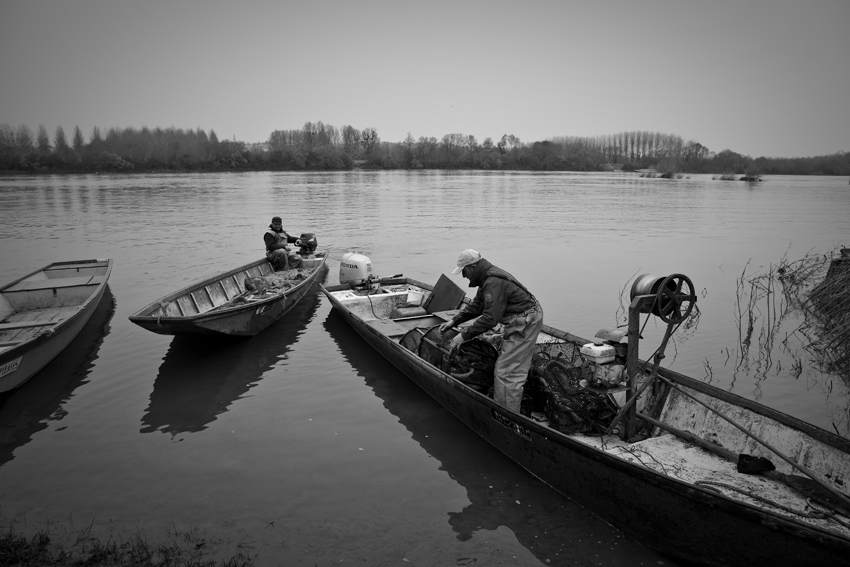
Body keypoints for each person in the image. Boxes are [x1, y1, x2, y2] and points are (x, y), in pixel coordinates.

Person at [438, 249, 544, 413]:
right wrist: (454, 321)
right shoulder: (486, 277)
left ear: (472, 267)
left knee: (506, 373)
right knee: (507, 367)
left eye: (464, 271)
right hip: (516, 318)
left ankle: (508, 416)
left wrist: (463, 336)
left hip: (524, 321)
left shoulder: (493, 282)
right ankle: (504, 406)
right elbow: (477, 305)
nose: (464, 276)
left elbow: (490, 319)